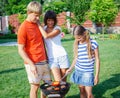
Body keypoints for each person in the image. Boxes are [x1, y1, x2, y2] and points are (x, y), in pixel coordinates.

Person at [17, 1, 51, 98]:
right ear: (29, 12)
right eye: (36, 15)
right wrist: (31, 64)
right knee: (35, 87)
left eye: (39, 16)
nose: (37, 18)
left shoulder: (37, 24)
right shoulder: (23, 28)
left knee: (47, 86)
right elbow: (20, 50)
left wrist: (46, 56)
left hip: (44, 60)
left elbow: (42, 41)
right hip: (33, 63)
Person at [66, 25, 100, 98]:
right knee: (82, 91)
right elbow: (76, 58)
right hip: (78, 71)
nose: (78, 40)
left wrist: (96, 75)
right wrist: (70, 68)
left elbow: (97, 59)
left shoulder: (93, 43)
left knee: (89, 95)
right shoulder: (77, 43)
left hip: (88, 72)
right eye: (76, 38)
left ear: (84, 33)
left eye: (79, 38)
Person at [37, 10, 70, 82]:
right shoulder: (44, 29)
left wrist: (39, 24)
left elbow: (46, 36)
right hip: (52, 58)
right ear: (46, 20)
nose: (50, 22)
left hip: (62, 56)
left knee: (63, 82)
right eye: (48, 20)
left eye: (52, 20)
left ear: (54, 20)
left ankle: (62, 93)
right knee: (58, 81)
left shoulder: (57, 29)